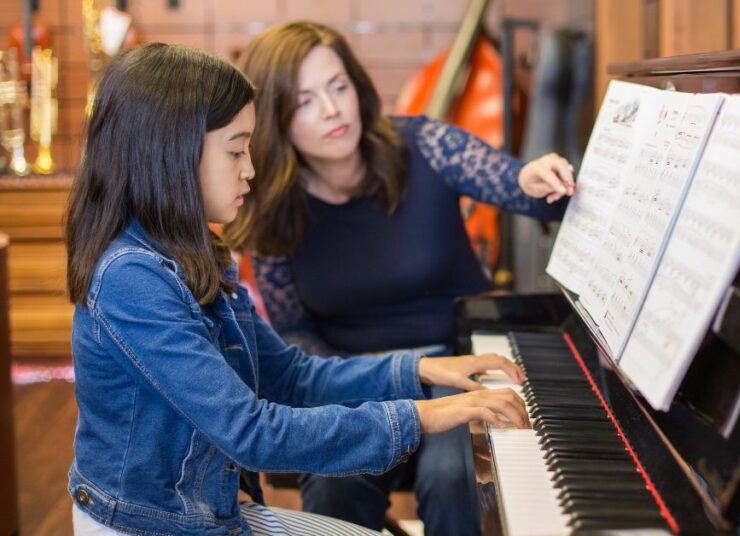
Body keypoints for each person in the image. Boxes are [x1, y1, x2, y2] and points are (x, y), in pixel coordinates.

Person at [65, 42, 530, 536]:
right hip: (150, 526)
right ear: (174, 155)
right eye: (236, 150)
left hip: (205, 513)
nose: (250, 169)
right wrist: (425, 414)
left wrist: (421, 369)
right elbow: (252, 432)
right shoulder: (131, 278)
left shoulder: (194, 251)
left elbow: (289, 376)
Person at [224, 21, 575, 536]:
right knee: (332, 482)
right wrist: (366, 395)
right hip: (356, 384)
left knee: (451, 475)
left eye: (338, 86)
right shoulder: (274, 211)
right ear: (274, 119)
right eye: (304, 101)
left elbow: (514, 183)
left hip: (459, 366)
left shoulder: (427, 144)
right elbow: (296, 334)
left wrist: (531, 177)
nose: (331, 109)